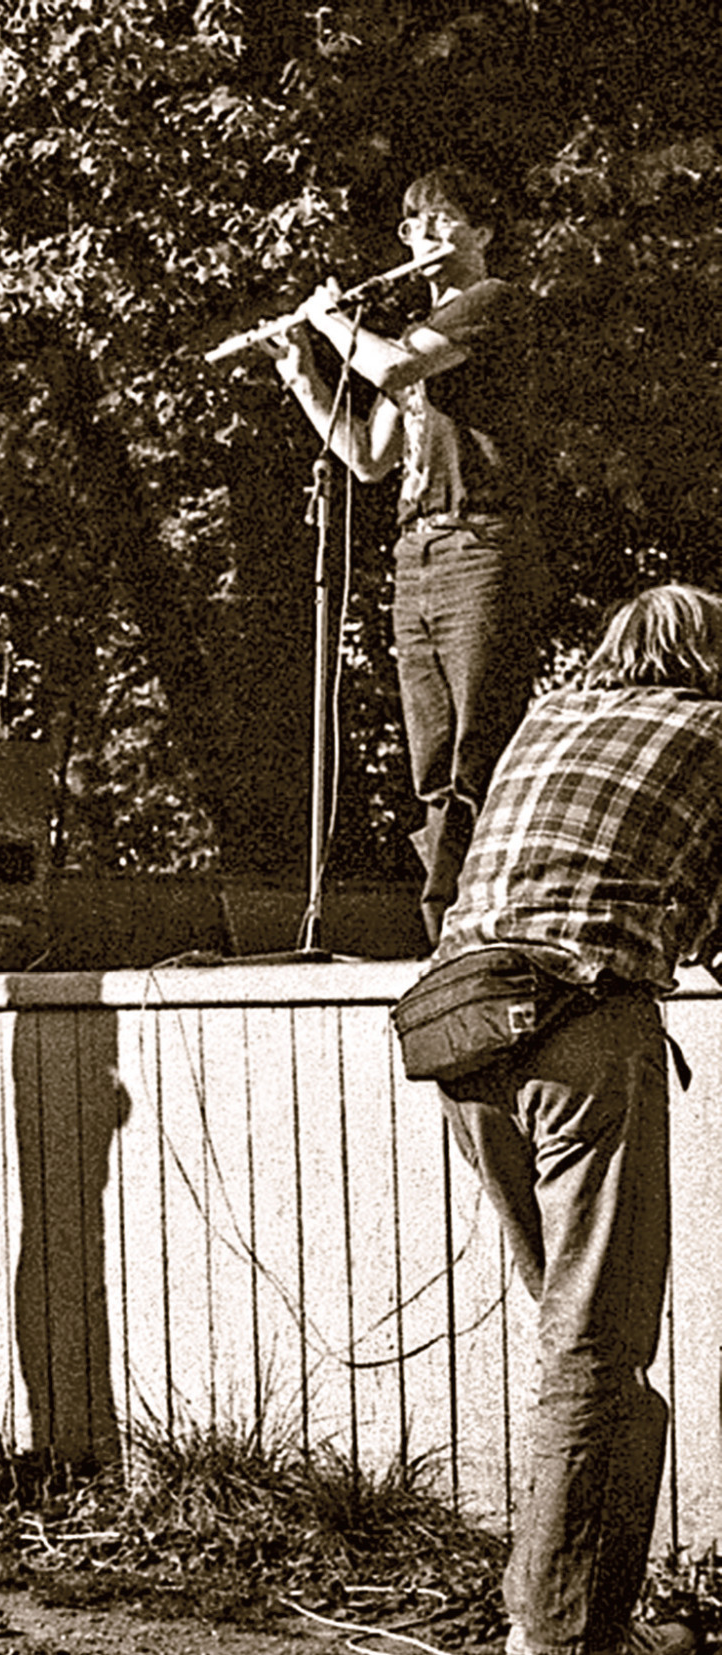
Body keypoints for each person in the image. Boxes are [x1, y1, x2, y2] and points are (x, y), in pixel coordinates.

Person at [421, 584, 722, 1655]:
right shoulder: (712, 729)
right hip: (580, 1024)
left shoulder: (546, 715)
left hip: (457, 1025)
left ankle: (577, 1614)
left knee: (573, 1336)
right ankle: (556, 1638)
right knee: (596, 1350)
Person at [271, 165, 551, 941]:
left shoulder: (490, 303)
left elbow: (394, 366)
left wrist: (330, 321)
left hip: (481, 545)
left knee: (478, 745)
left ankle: (492, 919)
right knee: (430, 758)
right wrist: (304, 378)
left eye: (441, 219)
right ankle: (445, 927)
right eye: (411, 224)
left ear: (483, 232)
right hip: (418, 551)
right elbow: (368, 458)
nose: (421, 235)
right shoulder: (414, 334)